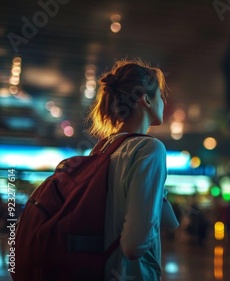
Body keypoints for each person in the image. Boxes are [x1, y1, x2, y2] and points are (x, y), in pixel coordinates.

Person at [85, 59, 179, 281]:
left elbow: (169, 222)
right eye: (160, 95)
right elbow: (134, 245)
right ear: (145, 99)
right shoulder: (150, 148)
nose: (164, 102)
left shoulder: (101, 149)